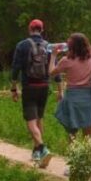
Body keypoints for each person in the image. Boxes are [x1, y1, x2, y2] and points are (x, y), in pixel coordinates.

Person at [50, 33, 91, 181]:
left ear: (72, 46)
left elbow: (51, 72)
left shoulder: (66, 61)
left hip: (72, 99)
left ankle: (73, 165)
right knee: (89, 135)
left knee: (72, 134)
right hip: (89, 99)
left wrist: (53, 56)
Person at [11, 19, 58, 168]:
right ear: (41, 30)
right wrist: (60, 88)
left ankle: (43, 148)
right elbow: (54, 68)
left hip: (29, 86)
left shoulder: (22, 45)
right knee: (39, 118)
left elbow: (15, 68)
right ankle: (36, 150)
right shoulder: (48, 46)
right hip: (44, 86)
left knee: (31, 121)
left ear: (29, 29)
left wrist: (14, 87)